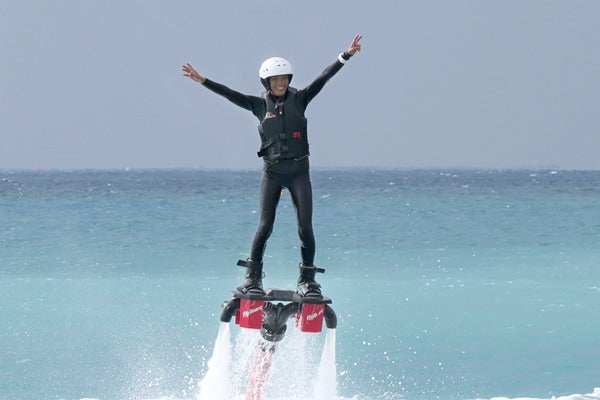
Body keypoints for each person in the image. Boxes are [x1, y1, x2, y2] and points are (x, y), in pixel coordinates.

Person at [182, 34, 363, 298]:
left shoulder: (300, 99)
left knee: (305, 226)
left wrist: (345, 55)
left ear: (289, 79)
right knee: (265, 224)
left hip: (299, 172)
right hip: (273, 173)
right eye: (275, 80)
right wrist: (203, 81)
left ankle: (307, 280)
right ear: (266, 82)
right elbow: (229, 94)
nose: (280, 83)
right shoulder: (257, 105)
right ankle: (252, 278)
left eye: (284, 78)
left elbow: (324, 76)